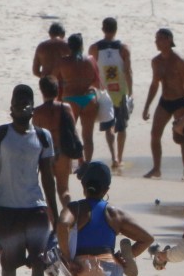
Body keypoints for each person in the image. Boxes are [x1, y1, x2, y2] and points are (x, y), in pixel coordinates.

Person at [0, 85, 62, 276]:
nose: (22, 106)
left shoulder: (42, 137)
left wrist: (54, 215)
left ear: (32, 108)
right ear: (11, 107)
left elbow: (48, 178)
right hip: (6, 208)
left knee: (39, 261)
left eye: (27, 102)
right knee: (8, 261)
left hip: (35, 208)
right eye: (18, 101)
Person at [140, 27, 184, 179]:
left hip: (179, 102)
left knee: (182, 138)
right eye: (155, 39)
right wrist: (147, 106)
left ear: (169, 40)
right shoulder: (156, 61)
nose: (156, 42)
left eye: (159, 39)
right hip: (164, 101)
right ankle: (156, 168)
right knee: (155, 134)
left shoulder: (179, 61)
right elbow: (154, 84)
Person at [52, 33, 102, 164]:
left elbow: (53, 81)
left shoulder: (62, 62)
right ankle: (88, 163)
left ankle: (78, 161)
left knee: (70, 133)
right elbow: (98, 83)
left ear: (69, 46)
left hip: (71, 99)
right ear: (82, 46)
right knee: (88, 135)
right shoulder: (91, 60)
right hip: (89, 98)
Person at [91, 17, 134, 166]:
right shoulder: (123, 48)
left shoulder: (94, 48)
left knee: (108, 125)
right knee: (122, 126)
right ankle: (120, 158)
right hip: (120, 91)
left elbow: (92, 70)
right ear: (116, 30)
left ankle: (114, 156)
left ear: (103, 29)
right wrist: (131, 91)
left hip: (104, 92)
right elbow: (127, 71)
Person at [31, 77, 78, 204]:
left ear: (42, 91)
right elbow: (74, 132)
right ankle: (68, 219)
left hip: (46, 155)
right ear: (57, 90)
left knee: (49, 193)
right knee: (64, 190)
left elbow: (35, 136)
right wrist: (81, 157)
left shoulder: (37, 112)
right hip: (62, 152)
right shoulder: (66, 107)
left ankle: (55, 222)